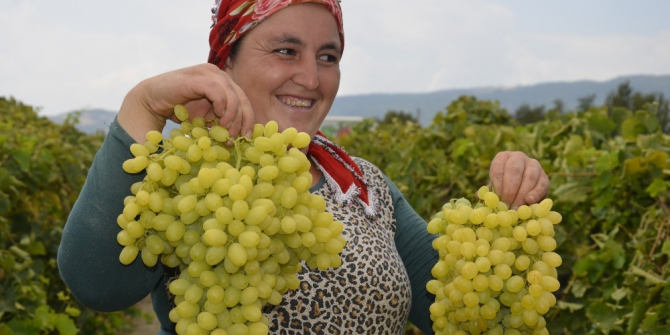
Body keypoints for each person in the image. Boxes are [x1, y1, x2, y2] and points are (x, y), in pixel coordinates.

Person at [57, 0, 549, 334]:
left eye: (328, 56)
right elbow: (99, 285)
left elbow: (458, 311)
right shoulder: (189, 179)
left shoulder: (363, 183)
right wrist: (142, 106)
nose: (312, 77)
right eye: (286, 50)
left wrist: (506, 216)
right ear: (225, 62)